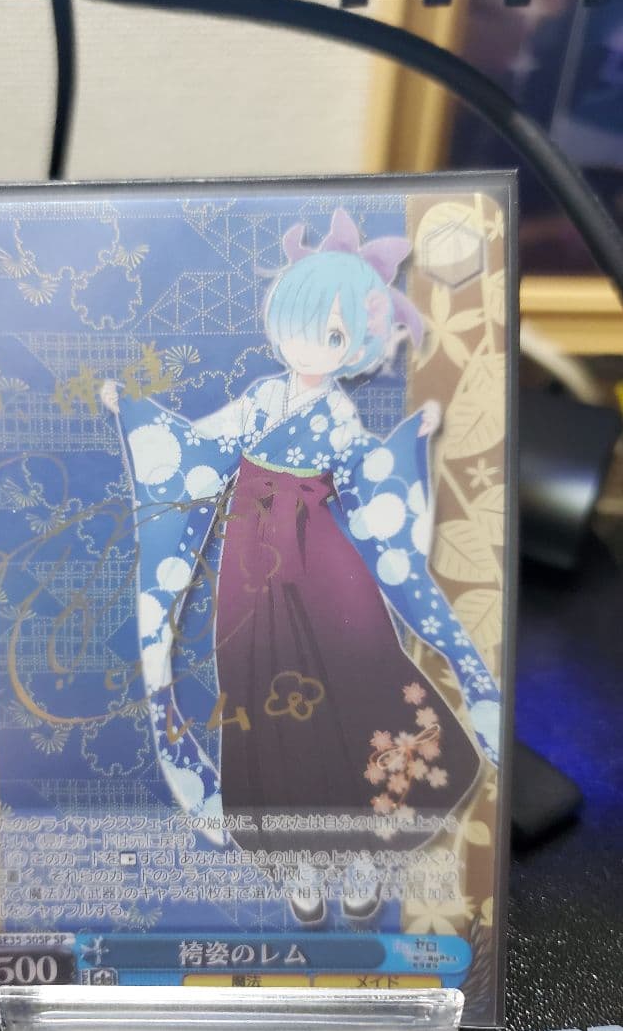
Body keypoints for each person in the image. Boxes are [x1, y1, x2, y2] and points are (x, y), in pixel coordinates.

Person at [101, 208, 500, 923]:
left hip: (325, 569)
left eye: (335, 335)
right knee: (262, 696)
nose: (312, 343)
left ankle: (365, 851)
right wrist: (134, 411)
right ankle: (299, 860)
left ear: (356, 347)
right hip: (253, 572)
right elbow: (197, 450)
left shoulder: (339, 417)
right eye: (302, 323)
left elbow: (370, 478)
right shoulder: (262, 400)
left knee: (359, 681)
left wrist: (411, 439)